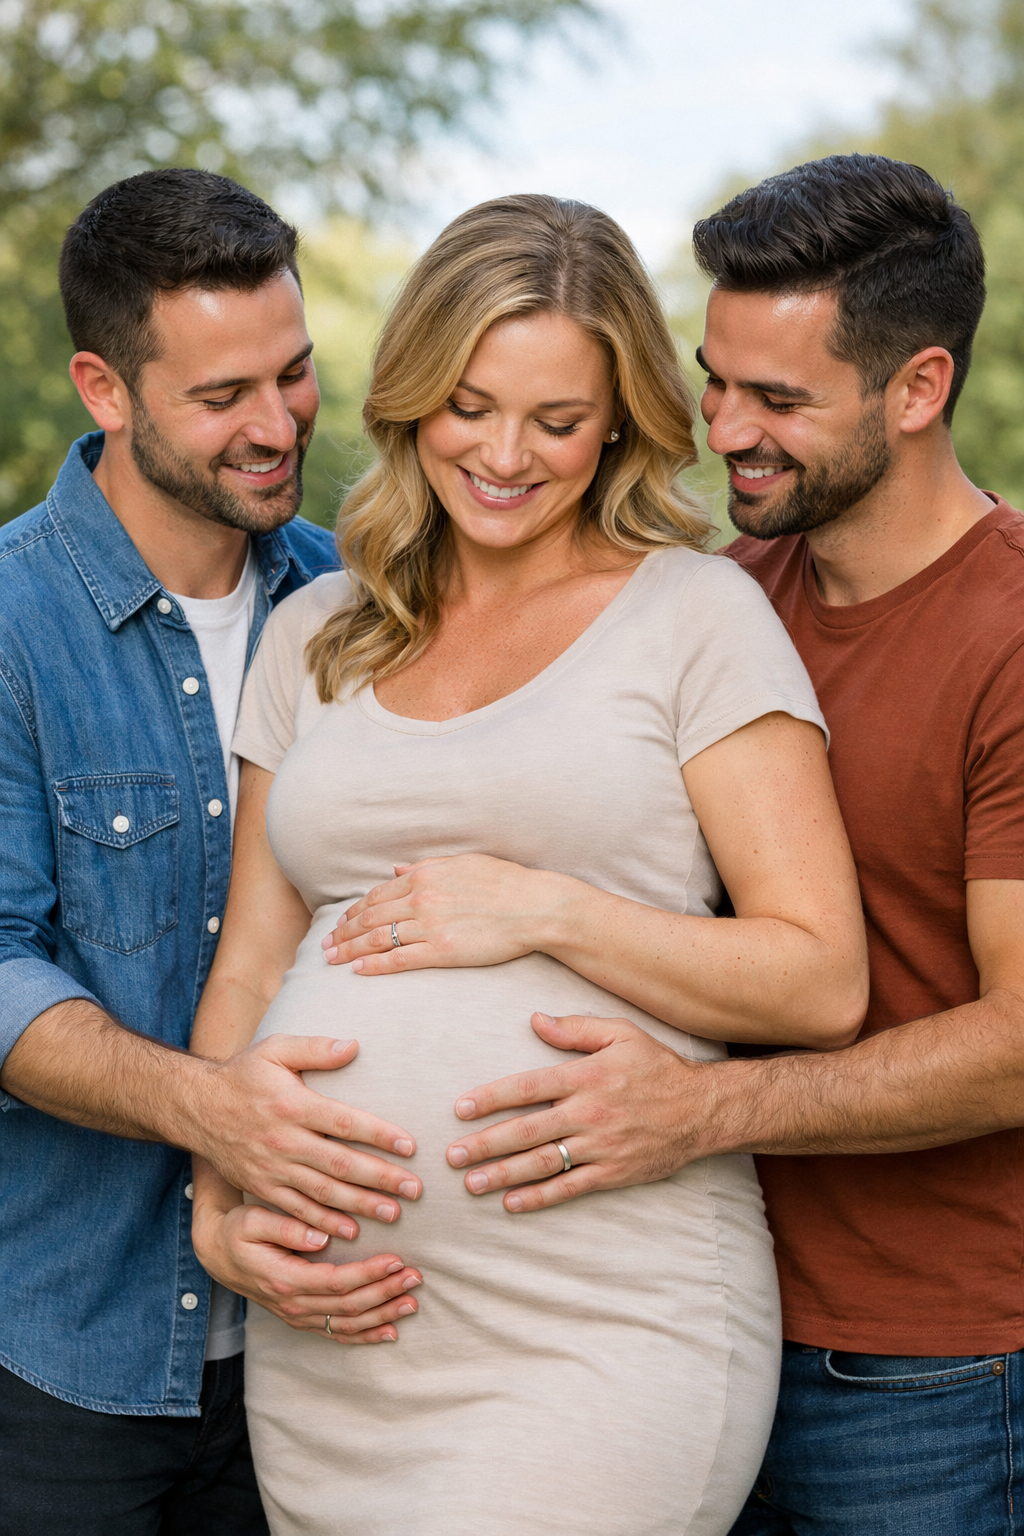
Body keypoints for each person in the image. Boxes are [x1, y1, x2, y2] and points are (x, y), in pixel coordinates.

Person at [190, 193, 868, 1536]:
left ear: (619, 417)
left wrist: (543, 908)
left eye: (555, 421)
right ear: (412, 397)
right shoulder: (321, 628)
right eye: (469, 406)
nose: (504, 455)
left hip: (599, 1315)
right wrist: (221, 1204)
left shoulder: (695, 616)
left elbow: (820, 981)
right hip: (337, 1336)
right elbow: (255, 962)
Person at [370, 157, 1024, 1532]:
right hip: (673, 1317)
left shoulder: (1008, 636)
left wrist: (701, 1112)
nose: (725, 429)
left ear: (917, 390)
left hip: (929, 1366)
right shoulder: (718, 600)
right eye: (716, 380)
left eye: (778, 400)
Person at [0, 169, 425, 1536]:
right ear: (106, 390)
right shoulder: (12, 623)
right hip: (68, 1360)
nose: (276, 424)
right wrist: (213, 1106)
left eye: (294, 374)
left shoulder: (366, 604)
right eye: (221, 394)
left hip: (349, 1340)